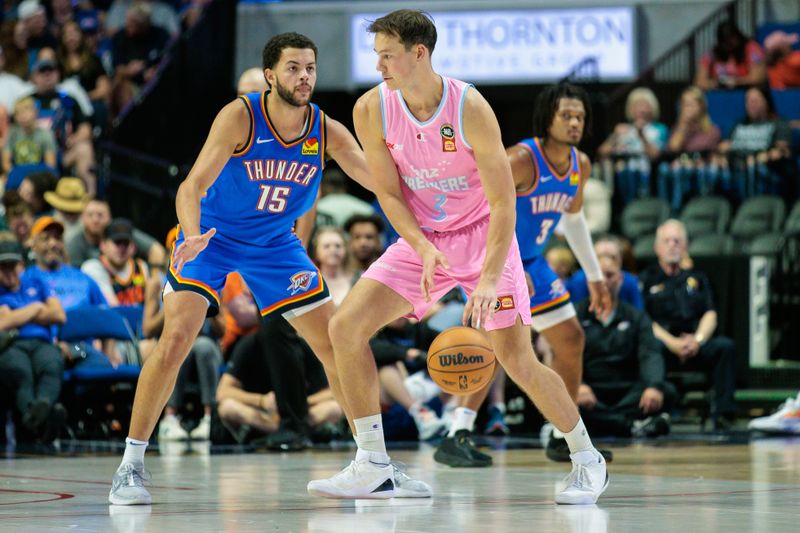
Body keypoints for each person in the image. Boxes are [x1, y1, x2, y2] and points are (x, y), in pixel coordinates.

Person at [107, 32, 429, 505]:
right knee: (176, 338)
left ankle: (374, 462)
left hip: (276, 244)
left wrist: (435, 197)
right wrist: (191, 234)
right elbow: (190, 186)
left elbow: (381, 182)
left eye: (311, 68)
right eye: (294, 68)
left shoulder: (325, 129)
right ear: (272, 74)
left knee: (336, 340)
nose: (304, 77)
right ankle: (130, 466)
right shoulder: (240, 115)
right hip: (212, 237)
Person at [311, 11, 608, 504]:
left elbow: (502, 202)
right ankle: (374, 463)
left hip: (484, 236)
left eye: (387, 54)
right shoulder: (371, 108)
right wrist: (423, 245)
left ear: (419, 53)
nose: (379, 64)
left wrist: (490, 278)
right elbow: (387, 193)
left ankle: (586, 457)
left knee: (516, 358)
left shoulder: (468, 105)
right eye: (377, 55)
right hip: (423, 237)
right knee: (345, 328)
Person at [431, 83, 613, 467]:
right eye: (566, 115)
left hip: (534, 262)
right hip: (496, 257)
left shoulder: (581, 164)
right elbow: (481, 210)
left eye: (580, 116)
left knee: (570, 338)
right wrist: (504, 268)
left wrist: (594, 275)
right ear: (547, 119)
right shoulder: (519, 160)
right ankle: (457, 431)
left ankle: (562, 432)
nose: (574, 122)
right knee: (499, 347)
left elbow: (575, 221)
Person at [640, 219, 737, 431]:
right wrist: (673, 343)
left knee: (725, 348)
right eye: (667, 241)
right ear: (657, 247)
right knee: (649, 351)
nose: (672, 245)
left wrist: (698, 341)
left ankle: (723, 415)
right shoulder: (647, 279)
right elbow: (646, 321)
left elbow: (710, 314)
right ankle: (657, 414)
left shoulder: (698, 278)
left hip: (695, 343)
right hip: (664, 344)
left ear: (685, 247)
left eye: (677, 241)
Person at [576, 255, 676, 438]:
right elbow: (565, 357)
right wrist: (579, 386)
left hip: (628, 391)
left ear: (620, 279)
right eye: (599, 275)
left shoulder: (637, 317)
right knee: (565, 399)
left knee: (666, 391)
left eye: (610, 275)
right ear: (590, 280)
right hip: (590, 391)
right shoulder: (575, 316)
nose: (604, 281)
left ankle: (599, 425)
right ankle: (631, 427)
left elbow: (650, 354)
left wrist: (653, 386)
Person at [0, 232, 67, 443]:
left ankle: (41, 409)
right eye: (4, 266)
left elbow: (58, 315)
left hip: (41, 343)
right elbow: (3, 324)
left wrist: (16, 314)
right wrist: (37, 307)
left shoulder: (35, 280)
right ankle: (45, 418)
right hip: (11, 344)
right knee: (21, 372)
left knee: (51, 364)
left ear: (21, 264)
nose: (10, 271)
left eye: (13, 265)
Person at [597, 88, 668, 205]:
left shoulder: (659, 129)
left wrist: (641, 135)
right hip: (622, 173)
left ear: (652, 108)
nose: (641, 109)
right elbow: (602, 152)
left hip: (647, 174)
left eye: (645, 105)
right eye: (637, 105)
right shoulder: (623, 129)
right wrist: (615, 136)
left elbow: (655, 155)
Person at [566, 234, 644, 310]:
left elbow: (639, 316)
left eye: (612, 257)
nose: (606, 261)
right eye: (600, 257)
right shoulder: (577, 281)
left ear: (621, 258)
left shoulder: (630, 282)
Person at [695, 21, 766, 90]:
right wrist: (715, 83)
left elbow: (758, 78)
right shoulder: (713, 53)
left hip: (745, 92)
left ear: (737, 36)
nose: (729, 45)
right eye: (725, 41)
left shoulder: (752, 48)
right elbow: (699, 81)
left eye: (731, 40)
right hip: (720, 94)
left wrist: (737, 81)